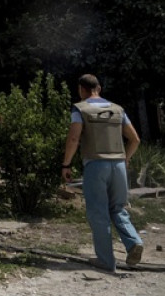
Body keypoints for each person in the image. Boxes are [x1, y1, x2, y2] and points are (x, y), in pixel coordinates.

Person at [62, 73, 143, 272]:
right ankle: (133, 242)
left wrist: (66, 165)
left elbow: (73, 139)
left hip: (96, 165)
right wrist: (126, 158)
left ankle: (106, 261)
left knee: (98, 212)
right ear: (99, 88)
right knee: (118, 209)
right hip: (118, 166)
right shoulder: (118, 109)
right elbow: (135, 140)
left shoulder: (79, 109)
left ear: (82, 89)